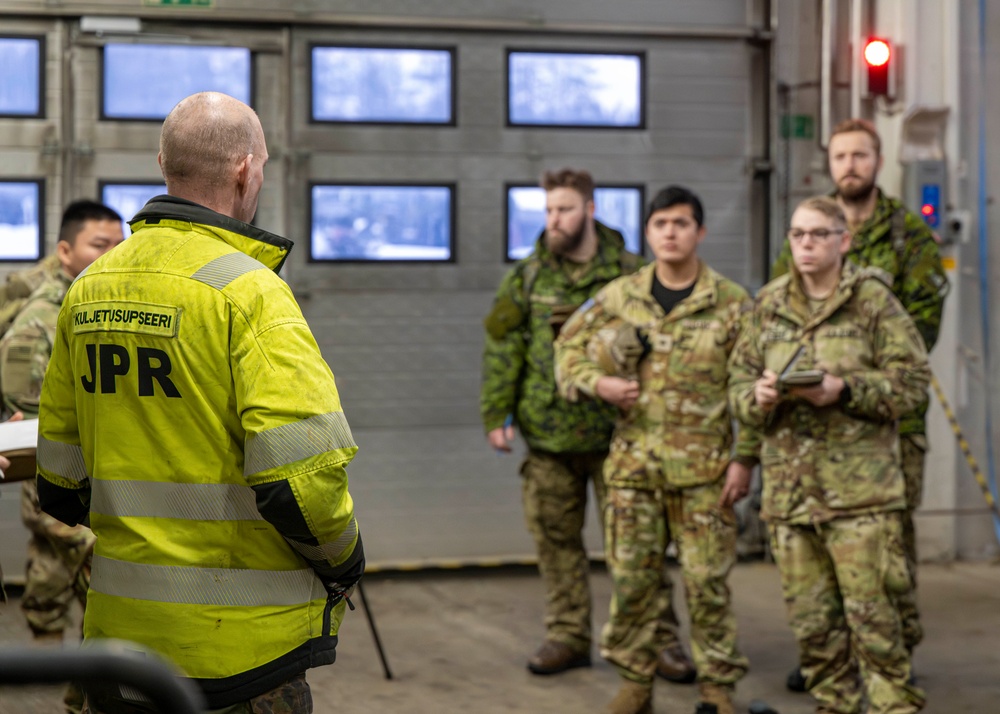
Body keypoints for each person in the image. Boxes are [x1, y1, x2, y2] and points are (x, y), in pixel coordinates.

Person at [35, 91, 364, 714]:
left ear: (164, 161)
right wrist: (346, 560)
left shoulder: (87, 288)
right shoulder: (252, 293)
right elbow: (303, 486)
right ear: (246, 168)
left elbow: (59, 480)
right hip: (240, 657)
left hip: (120, 646)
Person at [481, 168, 696, 683]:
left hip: (618, 435)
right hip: (548, 434)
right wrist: (496, 414)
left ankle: (660, 640)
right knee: (557, 545)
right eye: (549, 210)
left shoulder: (629, 274)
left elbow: (660, 348)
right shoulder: (529, 276)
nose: (554, 220)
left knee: (638, 546)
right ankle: (569, 635)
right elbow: (503, 345)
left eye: (565, 209)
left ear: (591, 210)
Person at [555, 186, 752, 714]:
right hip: (634, 470)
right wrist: (600, 384)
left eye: (682, 223)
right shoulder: (620, 296)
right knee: (634, 581)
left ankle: (716, 688)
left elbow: (751, 385)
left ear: (700, 232)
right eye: (661, 223)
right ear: (648, 232)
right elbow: (567, 349)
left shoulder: (731, 302)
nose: (670, 232)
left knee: (708, 586)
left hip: (705, 473)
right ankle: (635, 683)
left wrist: (745, 457)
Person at [729, 196, 930, 714]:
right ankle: (834, 705)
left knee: (877, 627)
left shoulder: (872, 302)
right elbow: (735, 387)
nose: (807, 244)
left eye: (819, 234)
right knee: (814, 629)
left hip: (860, 499)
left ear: (843, 240)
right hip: (792, 501)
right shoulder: (767, 304)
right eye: (798, 235)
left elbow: (912, 386)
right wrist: (759, 397)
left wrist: (844, 390)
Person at [772, 119, 948, 690]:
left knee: (887, 546)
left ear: (879, 160)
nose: (850, 164)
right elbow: (783, 316)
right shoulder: (809, 230)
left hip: (885, 421)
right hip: (812, 428)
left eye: (861, 155)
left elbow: (920, 328)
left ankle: (892, 653)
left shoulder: (907, 237)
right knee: (821, 541)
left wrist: (849, 376)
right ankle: (831, 656)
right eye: (840, 154)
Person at [0, 200, 124, 714]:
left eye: (119, 246)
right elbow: (25, 429)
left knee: (53, 570)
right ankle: (84, 698)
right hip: (53, 480)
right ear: (65, 250)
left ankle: (52, 664)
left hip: (74, 479)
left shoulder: (91, 301)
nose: (111, 256)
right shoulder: (43, 318)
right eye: (100, 245)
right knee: (111, 591)